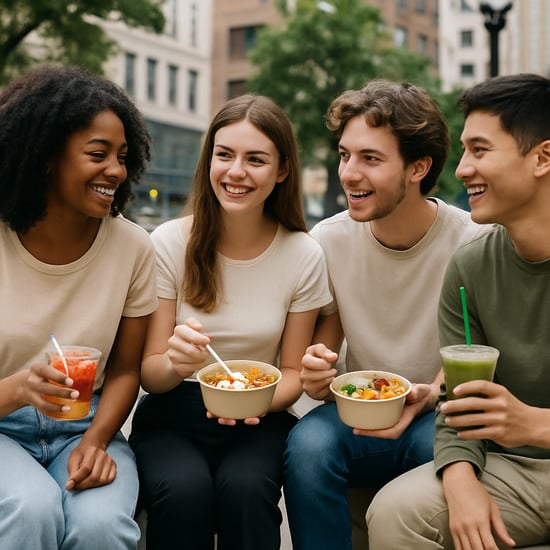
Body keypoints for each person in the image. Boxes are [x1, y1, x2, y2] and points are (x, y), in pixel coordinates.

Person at [283, 79, 490, 550]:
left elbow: (479, 347)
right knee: (308, 447)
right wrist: (317, 371)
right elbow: (323, 349)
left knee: (434, 450)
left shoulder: (473, 241)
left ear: (418, 167)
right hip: (354, 412)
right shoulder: (328, 240)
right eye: (344, 155)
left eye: (370, 159)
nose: (349, 173)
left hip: (436, 414)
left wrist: (431, 392)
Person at [128, 94, 332, 550]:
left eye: (255, 159)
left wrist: (250, 402)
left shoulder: (303, 254)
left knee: (245, 489)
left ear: (281, 171)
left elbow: (294, 372)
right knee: (183, 492)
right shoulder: (167, 242)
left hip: (262, 415)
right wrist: (177, 364)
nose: (235, 172)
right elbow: (151, 374)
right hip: (173, 415)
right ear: (209, 160)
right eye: (224, 155)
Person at [367, 73, 550, 549]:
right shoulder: (471, 265)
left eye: (481, 150)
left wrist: (534, 424)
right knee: (395, 513)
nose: (463, 168)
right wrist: (461, 478)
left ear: (542, 158)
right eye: (464, 150)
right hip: (512, 470)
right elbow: (458, 401)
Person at [0, 65, 157, 550]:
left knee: (101, 528)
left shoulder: (133, 247)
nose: (116, 169)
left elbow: (127, 370)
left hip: (87, 427)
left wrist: (95, 441)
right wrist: (22, 387)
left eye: (123, 156)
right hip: (4, 426)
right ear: (47, 156)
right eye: (98, 154)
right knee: (31, 510)